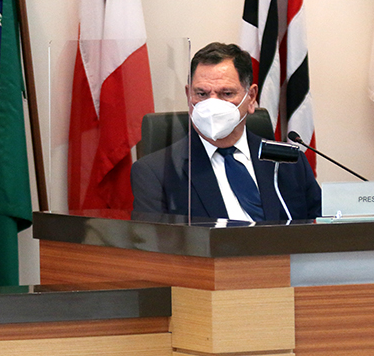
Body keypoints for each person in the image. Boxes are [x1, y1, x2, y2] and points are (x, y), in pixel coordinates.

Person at [131, 42, 321, 221]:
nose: (212, 104)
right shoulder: (156, 172)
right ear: (188, 95)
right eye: (202, 94)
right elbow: (155, 248)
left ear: (251, 97)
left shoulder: (289, 163)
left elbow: (321, 231)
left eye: (226, 94)